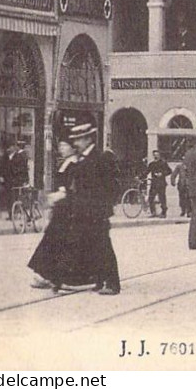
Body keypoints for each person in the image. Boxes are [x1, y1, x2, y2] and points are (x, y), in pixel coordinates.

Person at [68, 122, 121, 295]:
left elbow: (111, 185)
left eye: (78, 140)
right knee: (93, 246)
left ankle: (113, 284)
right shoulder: (82, 158)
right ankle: (99, 280)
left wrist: (104, 206)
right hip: (85, 210)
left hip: (97, 210)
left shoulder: (100, 157)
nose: (76, 143)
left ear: (88, 139)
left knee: (103, 246)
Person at [27, 140, 87, 291]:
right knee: (52, 241)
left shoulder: (76, 164)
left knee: (59, 242)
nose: (61, 148)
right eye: (60, 145)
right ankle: (46, 275)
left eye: (64, 145)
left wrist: (60, 195)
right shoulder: (65, 162)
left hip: (68, 209)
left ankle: (58, 277)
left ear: (73, 148)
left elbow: (73, 188)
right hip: (61, 208)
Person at [146, 148, 171, 218]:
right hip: (154, 183)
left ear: (160, 155)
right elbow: (147, 171)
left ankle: (163, 212)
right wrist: (139, 177)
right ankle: (153, 212)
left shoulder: (163, 163)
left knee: (162, 198)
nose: (156, 156)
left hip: (161, 183)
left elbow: (169, 171)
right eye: (154, 155)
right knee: (151, 198)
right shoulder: (151, 164)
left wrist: (162, 174)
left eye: (157, 155)